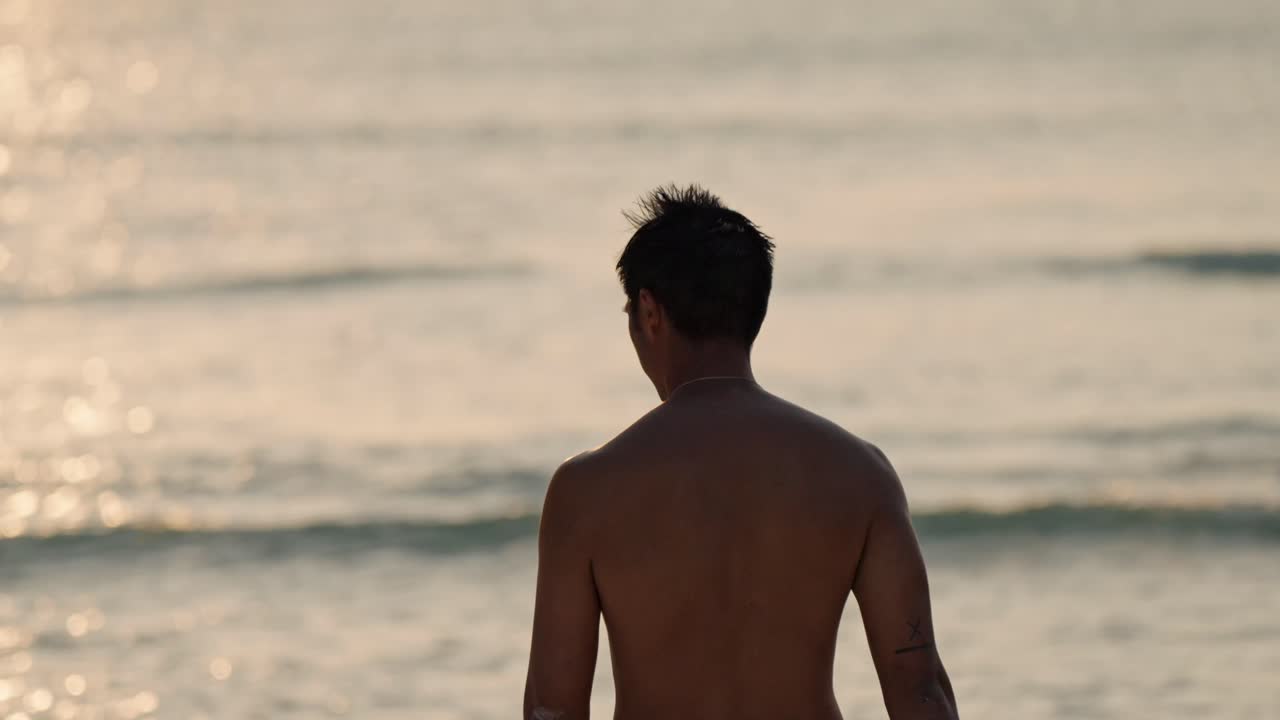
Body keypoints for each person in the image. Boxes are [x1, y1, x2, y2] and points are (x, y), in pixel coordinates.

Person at [523, 185, 958, 720]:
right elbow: (918, 694)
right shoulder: (859, 474)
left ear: (649, 312)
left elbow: (553, 709)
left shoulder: (586, 491)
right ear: (754, 309)